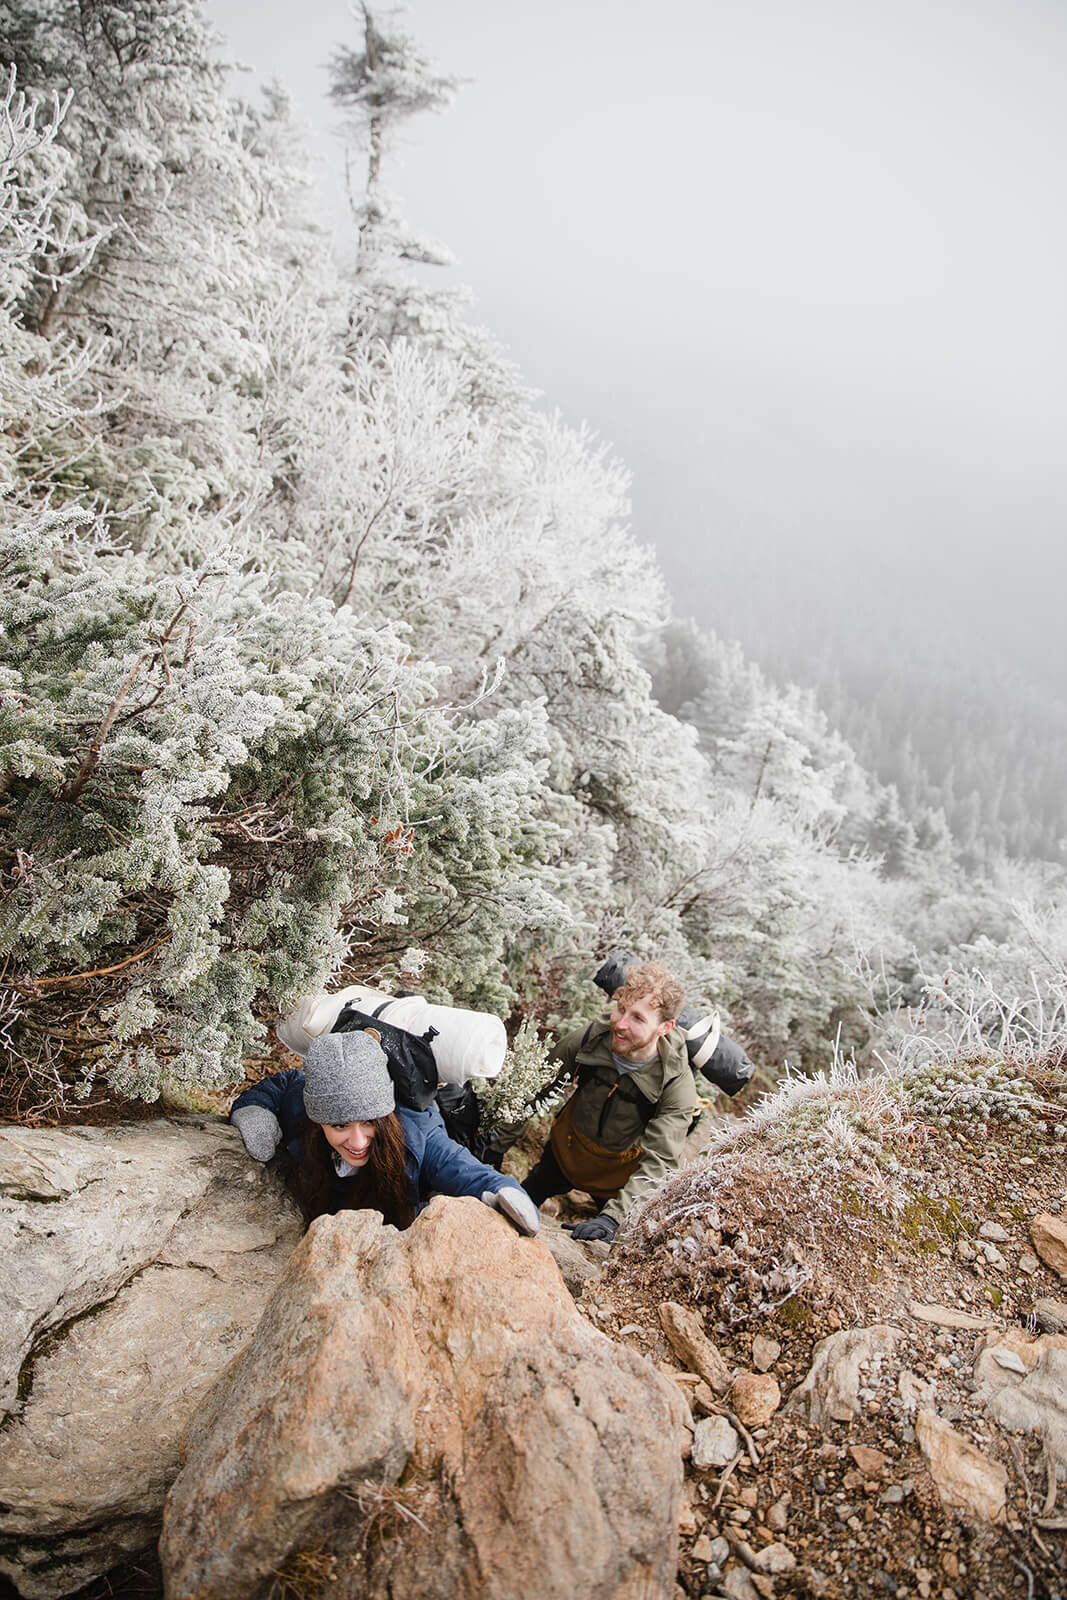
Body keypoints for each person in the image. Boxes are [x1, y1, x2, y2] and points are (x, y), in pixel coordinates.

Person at [230, 1029, 540, 1236]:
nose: (358, 1141)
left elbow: (467, 1171)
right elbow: (282, 1085)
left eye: (369, 1122)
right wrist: (256, 1112)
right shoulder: (305, 1104)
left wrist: (505, 1193)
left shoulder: (420, 1134)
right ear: (317, 1119)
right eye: (339, 1125)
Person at [522, 961, 698, 1243]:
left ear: (665, 1027)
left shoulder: (676, 1083)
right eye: (621, 1008)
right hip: (563, 1156)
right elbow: (531, 1093)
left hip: (615, 1180)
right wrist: (494, 1148)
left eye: (638, 1018)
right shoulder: (589, 1039)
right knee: (518, 1200)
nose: (620, 1023)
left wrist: (614, 1217)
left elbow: (661, 1159)